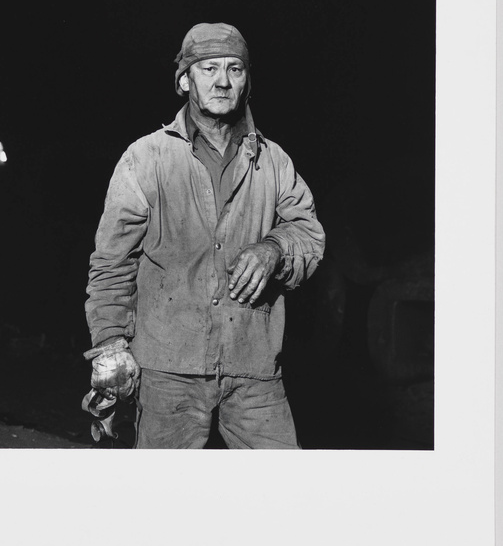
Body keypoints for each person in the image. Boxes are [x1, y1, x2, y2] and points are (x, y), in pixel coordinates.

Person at [84, 22, 325, 448]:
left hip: (253, 367)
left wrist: (275, 249)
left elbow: (309, 233)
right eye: (208, 68)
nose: (222, 81)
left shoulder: (273, 162)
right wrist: (109, 344)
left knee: (285, 496)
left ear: (247, 82)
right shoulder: (147, 158)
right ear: (184, 80)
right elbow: (112, 261)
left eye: (235, 69)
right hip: (167, 369)